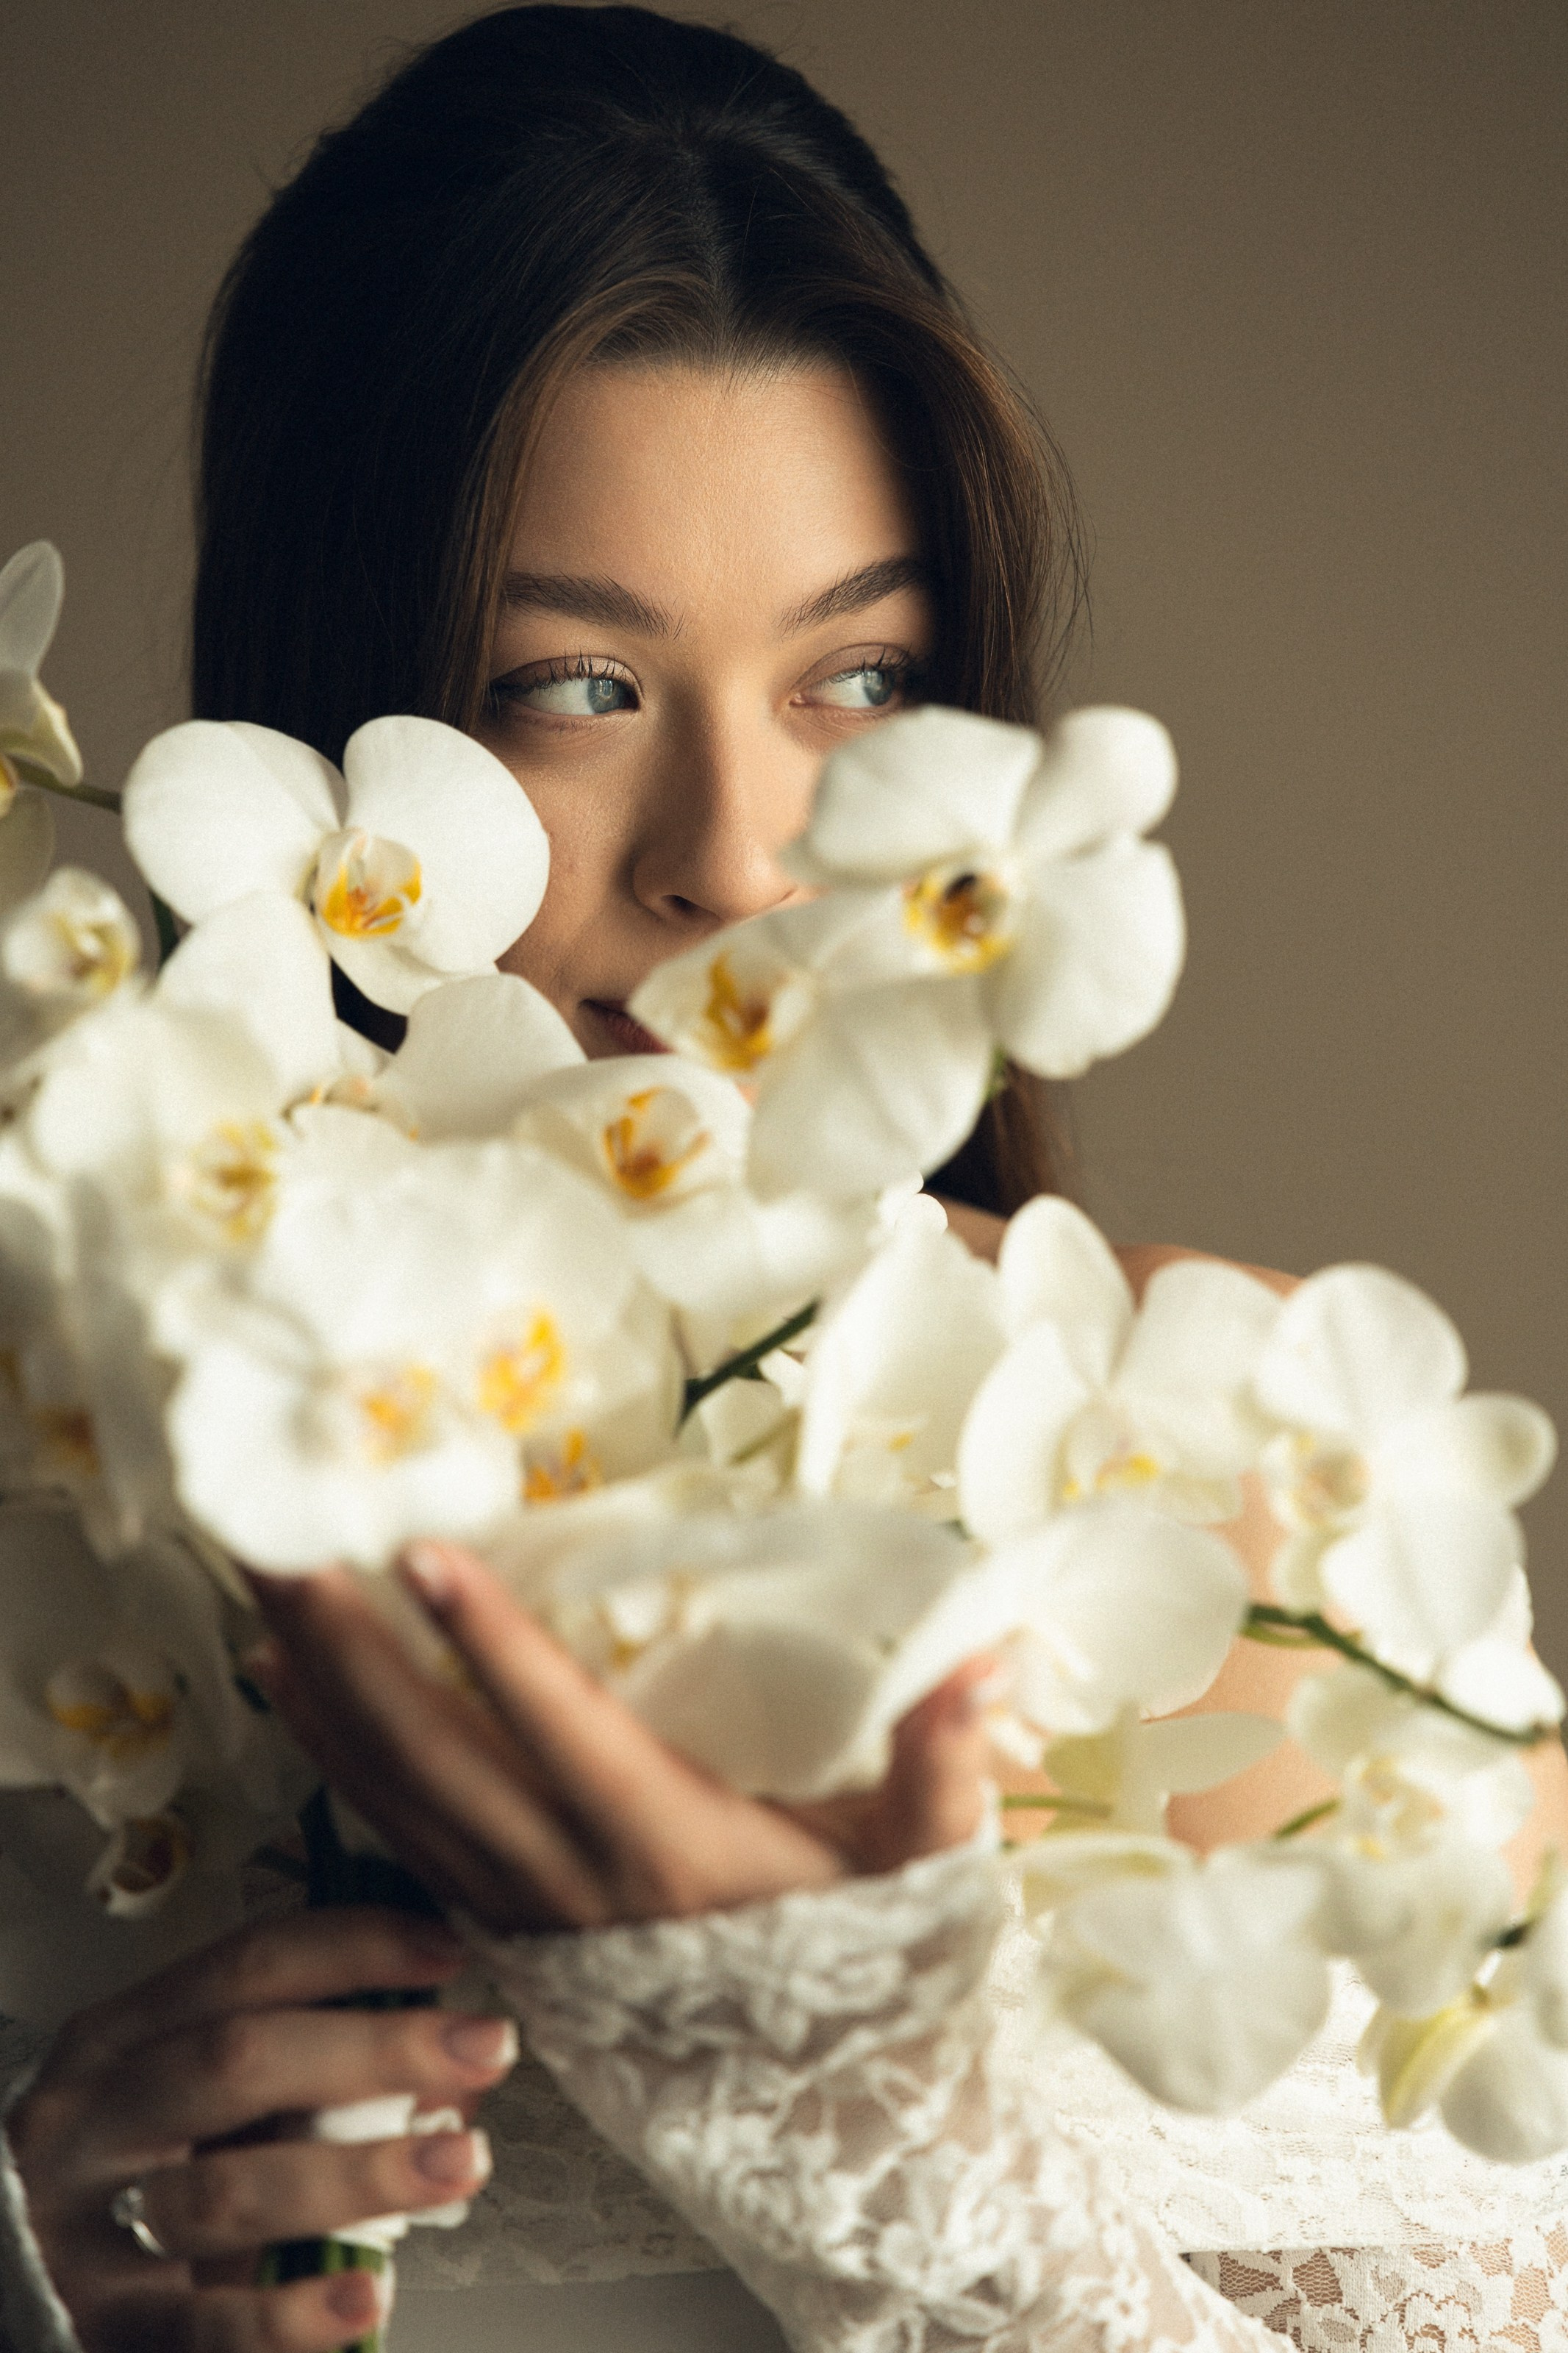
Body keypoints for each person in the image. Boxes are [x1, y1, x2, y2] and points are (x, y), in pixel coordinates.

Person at [3, 10, 1567, 2349]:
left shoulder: (1231, 1506)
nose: (739, 858)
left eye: (857, 678)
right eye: (579, 687)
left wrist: (863, 2132)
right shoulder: (92, 1554)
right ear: (328, 745)